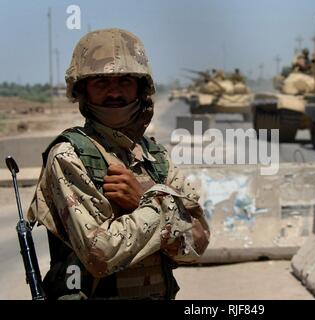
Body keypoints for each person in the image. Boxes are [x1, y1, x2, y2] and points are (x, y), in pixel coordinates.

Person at [27, 28, 210, 300]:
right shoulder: (69, 155)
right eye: (101, 82)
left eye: (125, 81)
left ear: (140, 87)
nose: (114, 91)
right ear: (82, 91)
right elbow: (100, 254)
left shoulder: (154, 157)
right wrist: (162, 210)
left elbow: (197, 243)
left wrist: (141, 202)